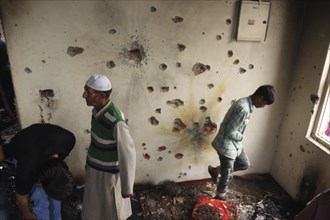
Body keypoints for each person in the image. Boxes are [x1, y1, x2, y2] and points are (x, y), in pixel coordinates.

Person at [81, 74, 136, 220]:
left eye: (88, 92)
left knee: (111, 210)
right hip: (95, 169)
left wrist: (127, 186)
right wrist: (89, 163)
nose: (84, 95)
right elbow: (95, 140)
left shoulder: (115, 120)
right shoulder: (96, 112)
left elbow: (128, 152)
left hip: (109, 175)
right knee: (94, 207)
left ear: (100, 95)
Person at [208, 85, 275, 200]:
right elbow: (230, 132)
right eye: (265, 103)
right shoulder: (243, 108)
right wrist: (242, 137)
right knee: (227, 176)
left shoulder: (247, 104)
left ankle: (215, 171)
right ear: (260, 97)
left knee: (244, 164)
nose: (263, 106)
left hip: (235, 144)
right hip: (226, 145)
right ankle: (219, 197)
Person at [0, 123, 75, 219]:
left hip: (39, 141)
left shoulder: (69, 140)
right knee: (40, 196)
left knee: (56, 194)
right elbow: (21, 200)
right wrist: (27, 214)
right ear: (41, 181)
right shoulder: (27, 169)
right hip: (23, 148)